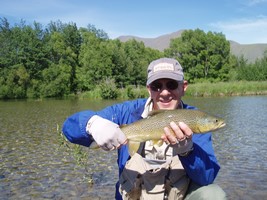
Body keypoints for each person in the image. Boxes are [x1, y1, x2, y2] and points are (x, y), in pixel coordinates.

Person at [62, 58, 227, 200]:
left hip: (176, 195)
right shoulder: (126, 112)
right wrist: (92, 124)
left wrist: (188, 152)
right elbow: (69, 128)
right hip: (134, 194)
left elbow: (207, 177)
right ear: (149, 89)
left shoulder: (193, 118)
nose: (164, 93)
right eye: (157, 86)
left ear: (183, 87)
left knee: (213, 194)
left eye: (171, 85)